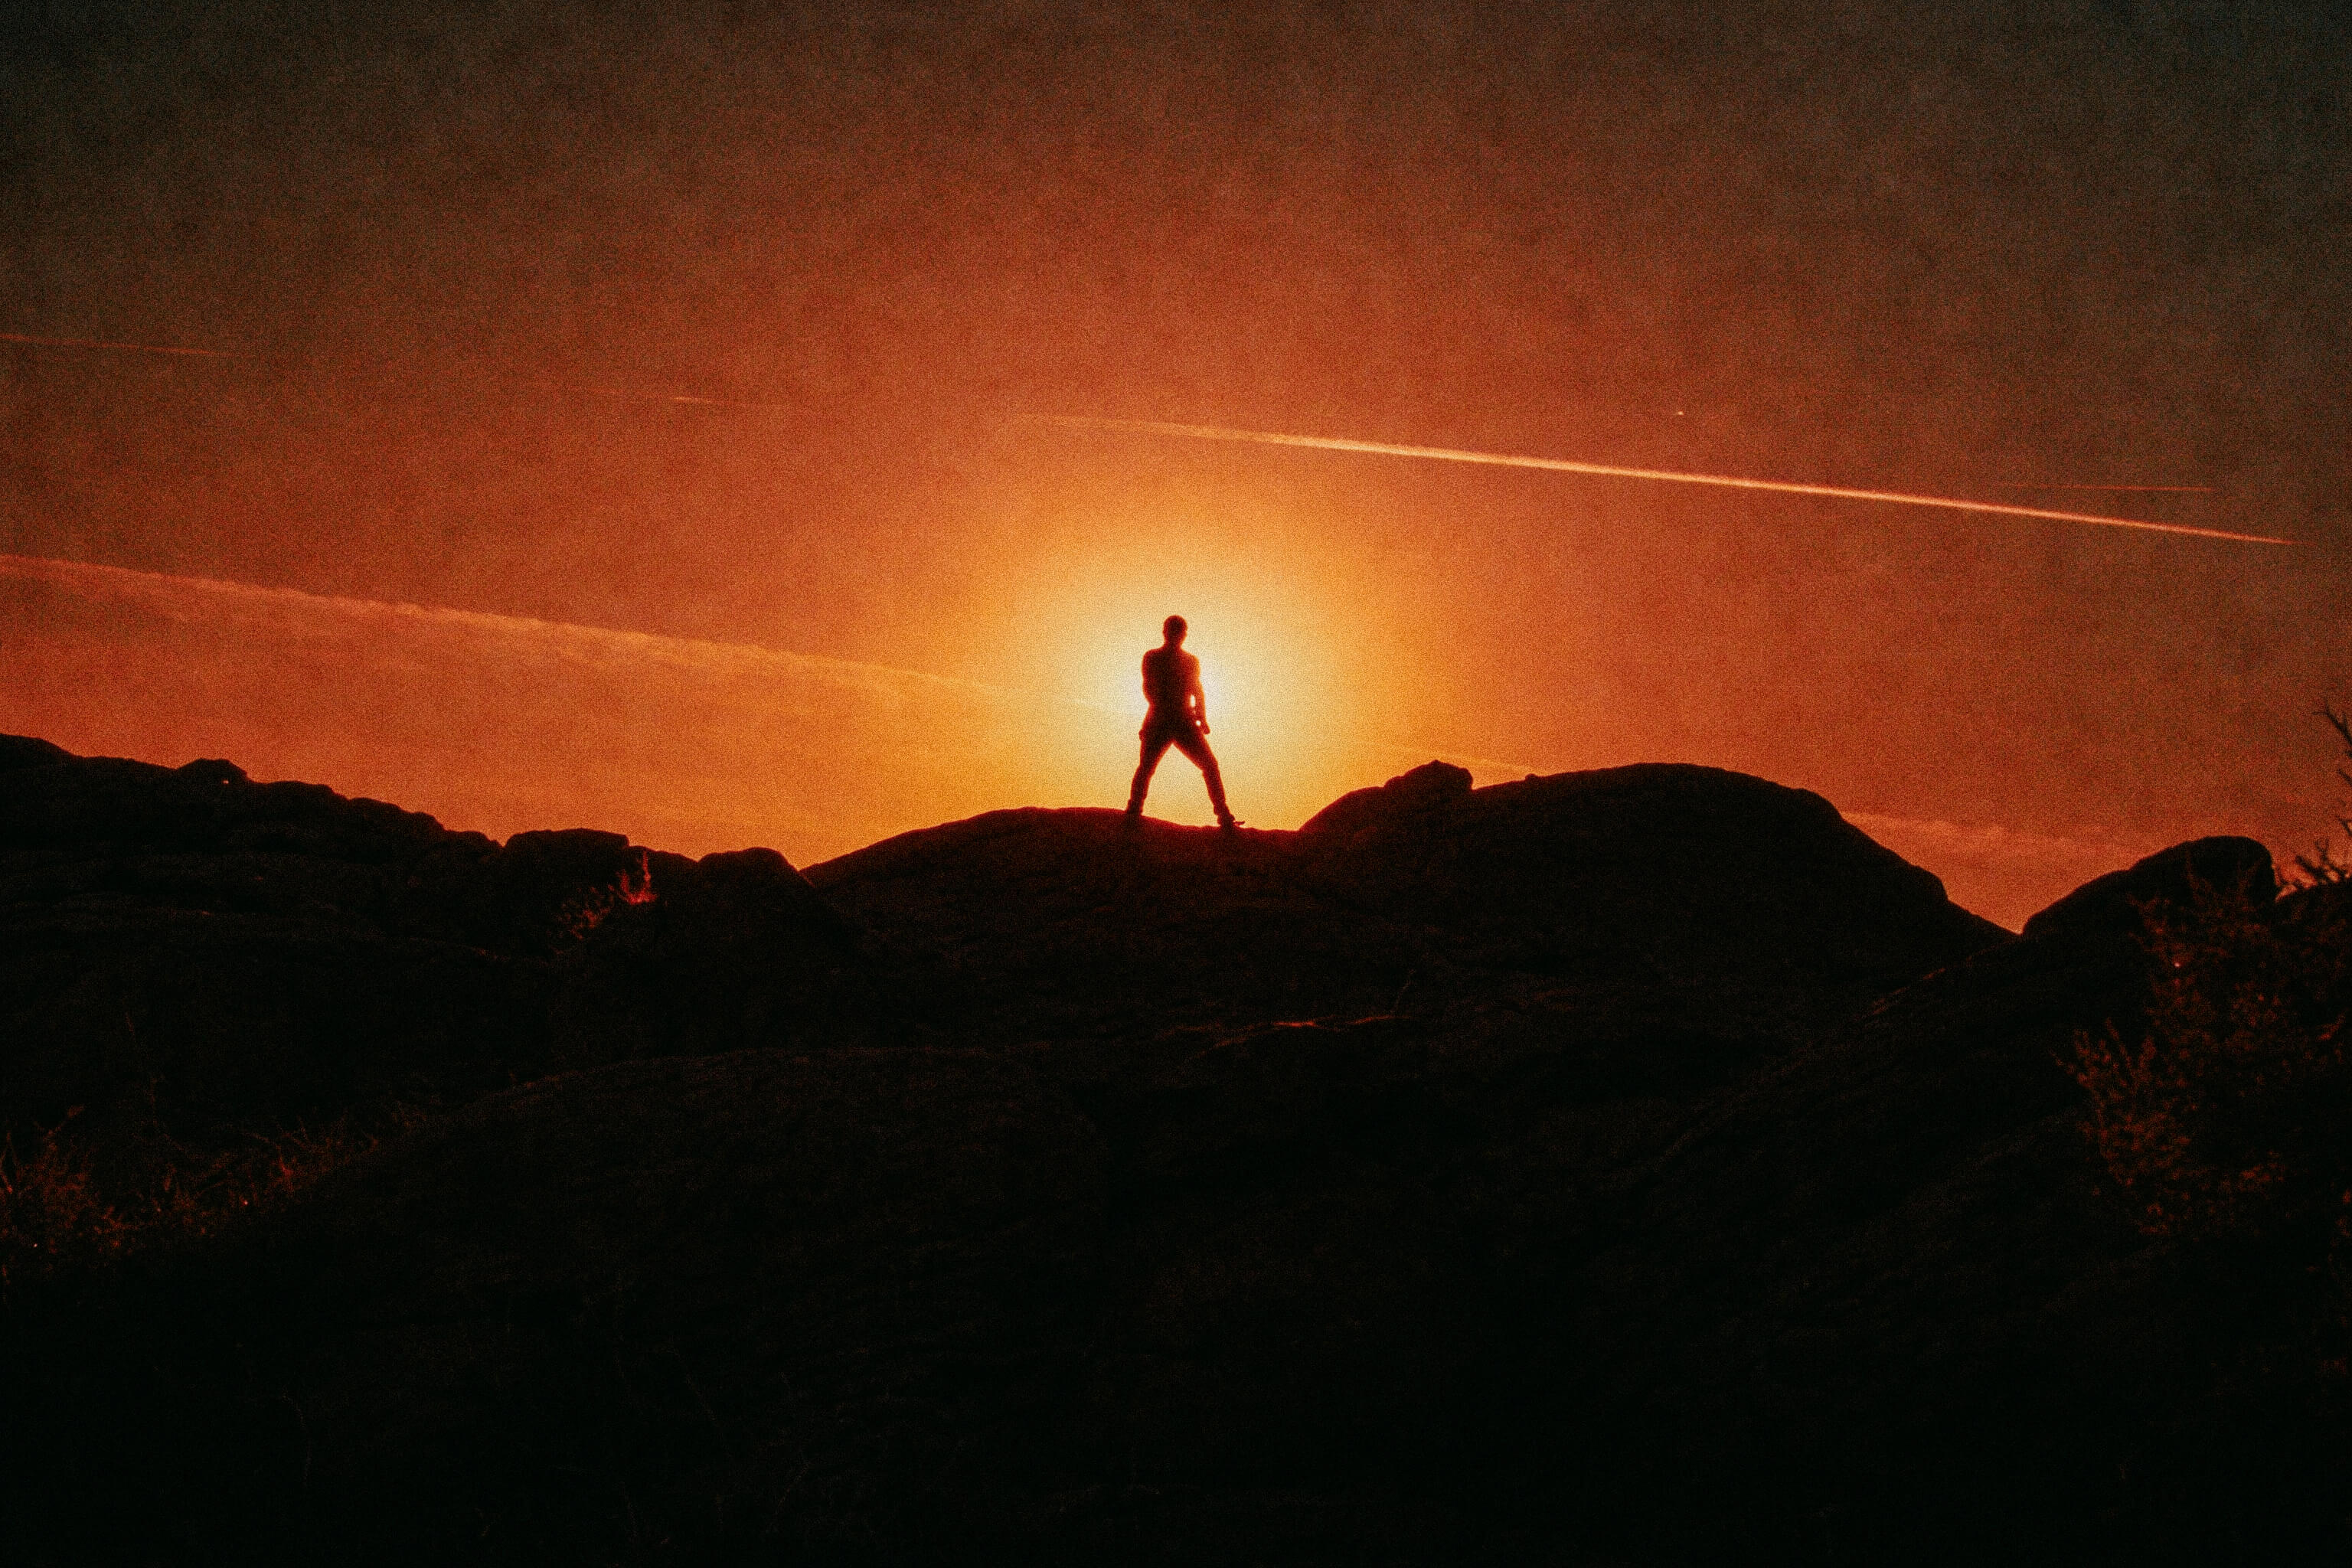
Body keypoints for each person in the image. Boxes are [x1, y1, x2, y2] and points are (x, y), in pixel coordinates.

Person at [1125, 615, 1236, 829]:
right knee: (1147, 767)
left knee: (1209, 765)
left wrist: (1201, 717)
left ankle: (1223, 815)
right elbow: (1149, 689)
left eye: (1179, 632)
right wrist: (1170, 711)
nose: (1177, 635)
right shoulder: (1153, 657)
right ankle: (1133, 809)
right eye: (1174, 631)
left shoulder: (1189, 661)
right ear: (1166, 632)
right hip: (1163, 719)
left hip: (1179, 720)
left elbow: (1197, 690)